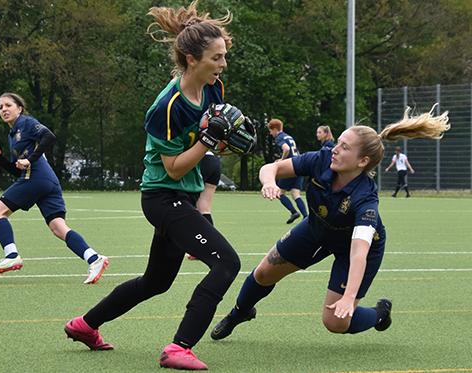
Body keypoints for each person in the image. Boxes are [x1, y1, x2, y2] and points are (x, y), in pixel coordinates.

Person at [64, 2, 242, 370]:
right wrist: (210, 141)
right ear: (192, 59)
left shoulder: (213, 87)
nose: (223, 64)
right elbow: (175, 168)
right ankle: (179, 348)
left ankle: (84, 325)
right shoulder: (165, 107)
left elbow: (205, 140)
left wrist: (222, 140)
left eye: (224, 56)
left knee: (156, 281)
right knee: (226, 264)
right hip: (163, 198)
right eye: (217, 57)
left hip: (184, 197)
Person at [210, 106, 449, 343]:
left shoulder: (366, 199)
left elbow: (358, 253)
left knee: (335, 321)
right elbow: (270, 168)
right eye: (338, 143)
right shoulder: (322, 159)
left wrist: (349, 297)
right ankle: (239, 313)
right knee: (263, 273)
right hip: (316, 228)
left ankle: (379, 314)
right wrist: (269, 182)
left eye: (345, 147)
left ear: (362, 161)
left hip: (351, 248)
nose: (335, 149)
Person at [0, 92, 109, 285]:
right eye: (0, 107)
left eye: (8, 105)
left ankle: (11, 255)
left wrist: (29, 159)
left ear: (19, 108)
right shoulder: (13, 135)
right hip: (46, 181)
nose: (4, 109)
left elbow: (49, 136)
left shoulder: (26, 123)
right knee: (58, 228)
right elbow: (17, 169)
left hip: (37, 178)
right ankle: (94, 259)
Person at [267, 118, 308, 224]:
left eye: (270, 130)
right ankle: (306, 216)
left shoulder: (279, 137)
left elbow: (286, 149)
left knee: (280, 193)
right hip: (299, 166)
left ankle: (294, 212)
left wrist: (281, 160)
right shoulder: (288, 136)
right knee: (295, 194)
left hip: (291, 167)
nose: (270, 133)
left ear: (275, 129)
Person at [188, 151, 221, 261]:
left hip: (200, 160)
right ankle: (210, 248)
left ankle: (197, 248)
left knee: (187, 204)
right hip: (213, 161)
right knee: (204, 206)